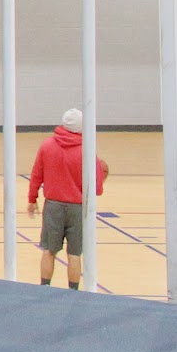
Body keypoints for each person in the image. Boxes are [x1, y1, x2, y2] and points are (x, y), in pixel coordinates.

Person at [27, 106, 110, 288]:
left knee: (49, 250)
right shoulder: (87, 151)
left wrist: (32, 199)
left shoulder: (47, 145)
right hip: (77, 208)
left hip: (53, 206)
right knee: (74, 254)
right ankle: (73, 292)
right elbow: (96, 189)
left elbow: (36, 174)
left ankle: (44, 287)